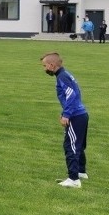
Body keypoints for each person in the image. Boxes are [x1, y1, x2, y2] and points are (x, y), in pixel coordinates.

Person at [40, 52, 89, 188]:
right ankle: (80, 172)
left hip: (75, 116)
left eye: (44, 66)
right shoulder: (66, 75)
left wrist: (66, 114)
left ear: (52, 65)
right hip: (81, 114)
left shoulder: (62, 77)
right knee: (77, 145)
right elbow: (76, 93)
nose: (44, 69)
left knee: (70, 146)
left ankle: (73, 180)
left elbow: (72, 95)